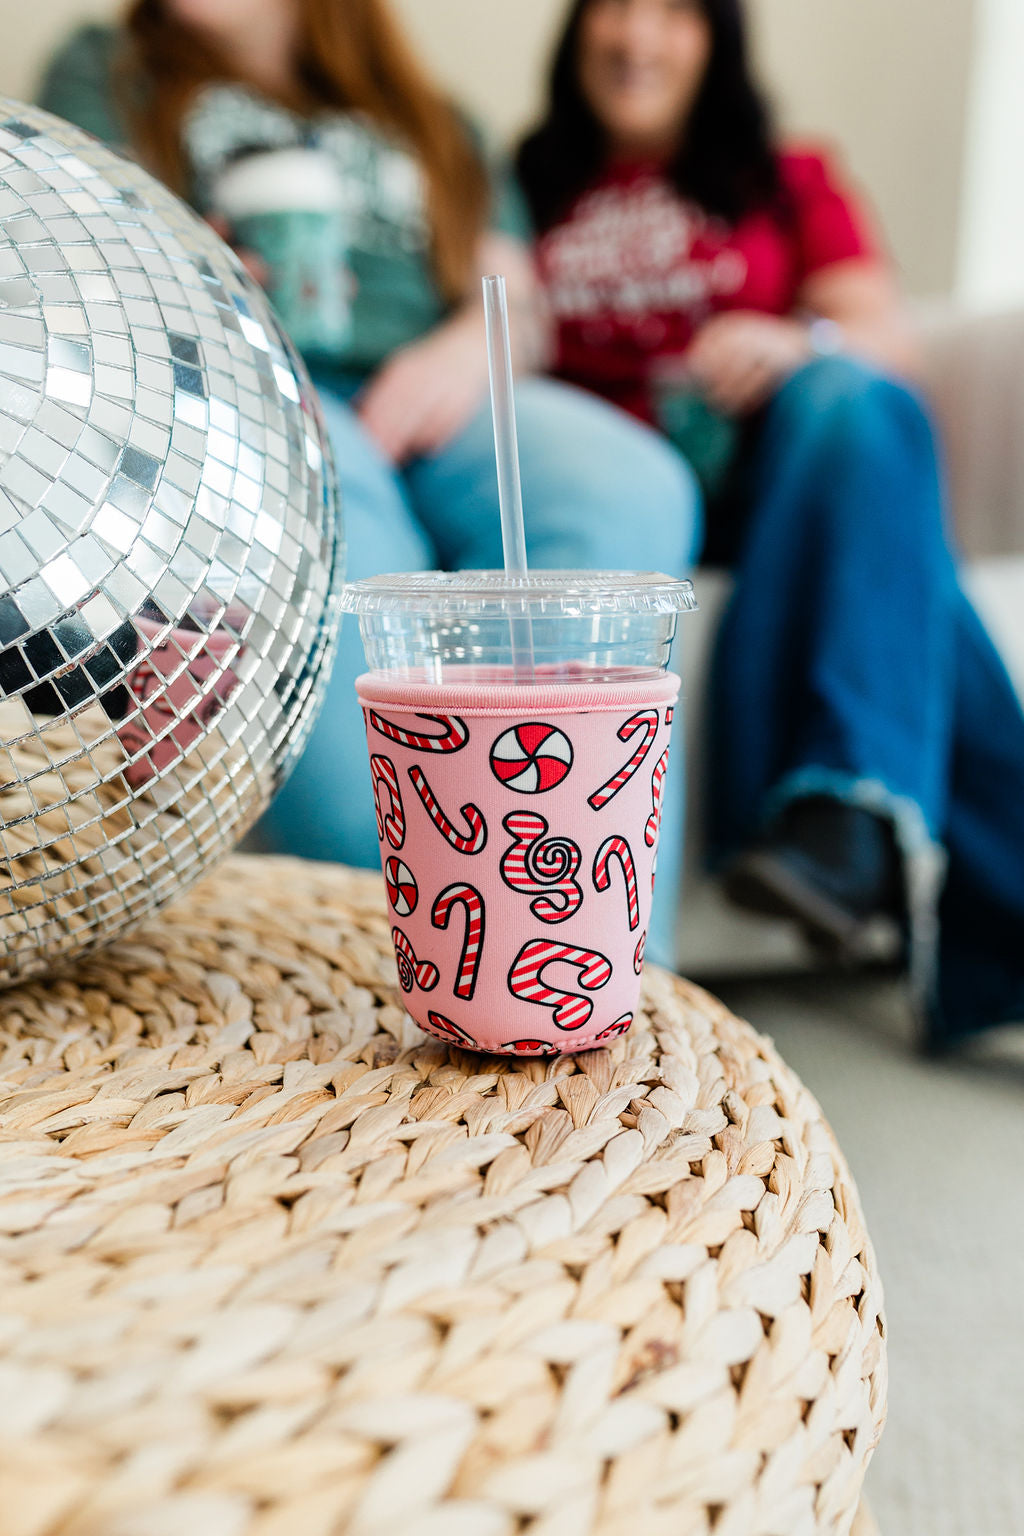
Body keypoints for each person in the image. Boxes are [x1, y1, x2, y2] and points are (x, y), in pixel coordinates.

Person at [37, 0, 701, 968]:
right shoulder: (107, 70)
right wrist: (195, 274)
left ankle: (610, 955)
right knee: (336, 511)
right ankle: (451, 942)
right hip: (254, 381)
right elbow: (71, 257)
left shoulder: (431, 116)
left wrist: (459, 354)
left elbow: (517, 304)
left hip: (439, 384)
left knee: (625, 484)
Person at [517, 0, 1024, 1048]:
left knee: (855, 397)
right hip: (633, 498)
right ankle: (859, 827)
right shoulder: (526, 182)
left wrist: (798, 341)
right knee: (912, 576)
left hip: (781, 480)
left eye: (672, 12)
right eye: (614, 6)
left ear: (716, 40)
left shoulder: (785, 175)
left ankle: (839, 820)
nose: (637, 37)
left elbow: (887, 341)